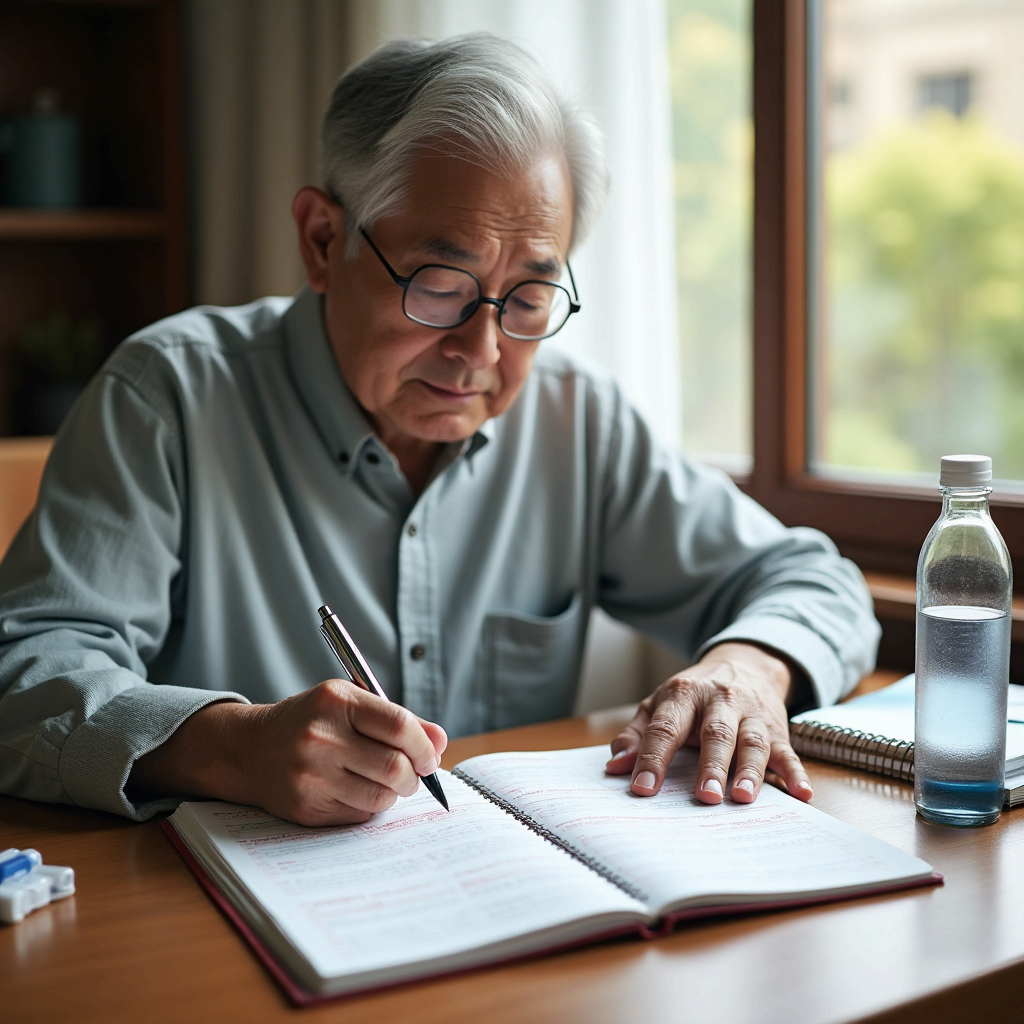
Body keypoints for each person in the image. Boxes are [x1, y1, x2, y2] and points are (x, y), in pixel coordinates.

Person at [0, 34, 878, 826]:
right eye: (440, 285)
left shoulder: (577, 418)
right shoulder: (170, 396)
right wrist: (236, 744)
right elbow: (27, 672)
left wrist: (748, 670)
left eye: (530, 297)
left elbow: (812, 580)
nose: (482, 351)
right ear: (320, 240)